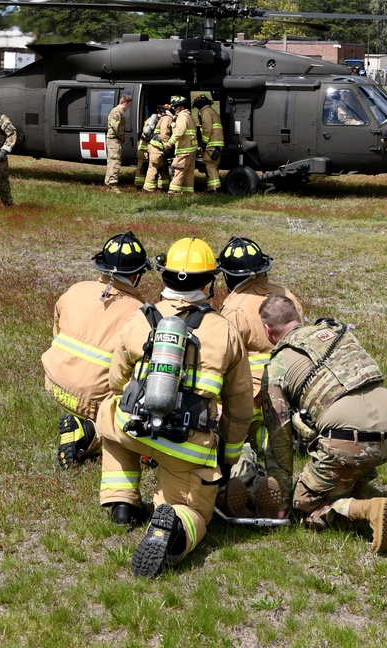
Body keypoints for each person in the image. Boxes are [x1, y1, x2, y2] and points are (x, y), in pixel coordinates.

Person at [97, 238, 252, 577]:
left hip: (133, 428)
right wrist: (225, 458)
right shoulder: (224, 331)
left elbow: (115, 382)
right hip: (186, 446)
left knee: (108, 410)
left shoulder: (140, 318)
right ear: (209, 283)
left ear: (164, 276)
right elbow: (241, 406)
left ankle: (121, 500)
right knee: (195, 509)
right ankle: (174, 527)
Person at [258, 294, 387, 553]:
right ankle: (357, 482)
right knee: (346, 445)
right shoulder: (336, 331)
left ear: (267, 330)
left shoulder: (276, 368)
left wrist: (281, 503)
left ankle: (363, 509)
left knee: (304, 506)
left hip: (351, 444)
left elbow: (280, 444)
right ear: (299, 317)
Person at [42, 232, 152, 468]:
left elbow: (57, 331)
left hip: (55, 385)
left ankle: (82, 422)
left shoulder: (75, 290)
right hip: (95, 401)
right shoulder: (140, 314)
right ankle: (90, 431)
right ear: (136, 274)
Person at [216, 237, 304, 518]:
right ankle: (275, 482)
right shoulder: (287, 298)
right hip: (285, 400)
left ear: (228, 276)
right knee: (273, 440)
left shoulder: (233, 307)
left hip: (247, 399)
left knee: (236, 443)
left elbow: (224, 356)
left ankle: (243, 482)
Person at [192, 94, 224, 193]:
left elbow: (207, 129)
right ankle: (216, 187)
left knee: (210, 166)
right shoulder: (213, 111)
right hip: (217, 144)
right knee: (214, 166)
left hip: (211, 144)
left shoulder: (205, 112)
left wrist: (204, 143)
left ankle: (214, 189)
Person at [168, 96, 197, 195]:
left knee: (179, 170)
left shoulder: (182, 117)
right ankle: (188, 194)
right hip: (191, 149)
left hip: (184, 149)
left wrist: (169, 143)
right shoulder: (189, 116)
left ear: (181, 107)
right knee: (189, 172)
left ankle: (172, 193)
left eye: (176, 107)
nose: (175, 109)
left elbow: (180, 132)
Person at [143, 104, 173, 193]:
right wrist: (167, 145)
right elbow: (164, 134)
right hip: (158, 147)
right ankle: (148, 189)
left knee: (163, 167)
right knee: (154, 168)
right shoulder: (167, 118)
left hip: (154, 147)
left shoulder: (153, 119)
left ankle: (163, 186)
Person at [105, 94, 132, 192]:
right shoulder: (118, 111)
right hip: (114, 139)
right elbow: (115, 127)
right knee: (115, 162)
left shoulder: (118, 111)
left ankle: (108, 184)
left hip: (114, 139)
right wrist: (121, 136)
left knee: (111, 161)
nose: (129, 107)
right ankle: (113, 185)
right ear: (126, 103)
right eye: (129, 105)